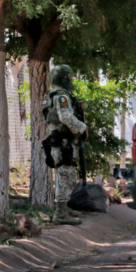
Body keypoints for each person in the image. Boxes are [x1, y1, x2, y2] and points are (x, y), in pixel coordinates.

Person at [42, 65, 87, 226]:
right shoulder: (61, 96)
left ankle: (63, 209)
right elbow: (66, 117)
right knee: (65, 176)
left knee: (67, 176)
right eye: (68, 78)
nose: (71, 81)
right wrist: (82, 128)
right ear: (61, 79)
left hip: (59, 142)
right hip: (62, 143)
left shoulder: (51, 95)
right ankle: (60, 213)